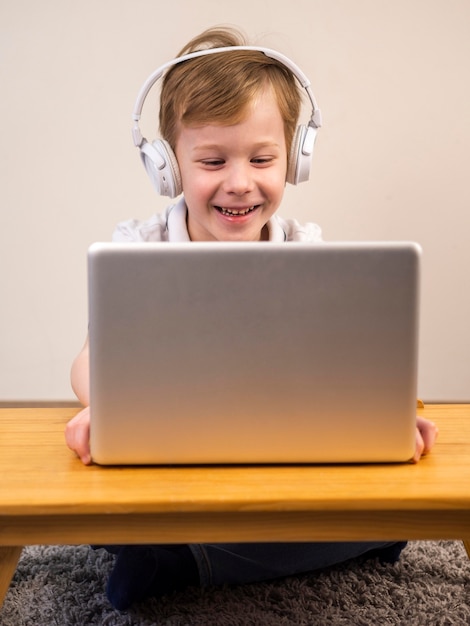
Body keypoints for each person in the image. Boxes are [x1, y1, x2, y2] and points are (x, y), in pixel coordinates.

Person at [65, 26, 438, 611]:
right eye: (212, 160)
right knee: (88, 507)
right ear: (167, 167)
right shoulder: (138, 248)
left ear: (294, 160)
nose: (239, 183)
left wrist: (386, 419)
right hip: (166, 461)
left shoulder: (306, 250)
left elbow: (347, 364)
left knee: (390, 507)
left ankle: (183, 560)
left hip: (277, 460)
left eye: (262, 159)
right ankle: (221, 551)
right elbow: (89, 359)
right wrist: (106, 409)